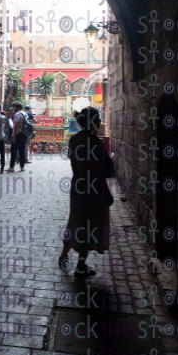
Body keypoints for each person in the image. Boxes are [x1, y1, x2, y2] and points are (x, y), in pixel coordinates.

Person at [59, 107, 114, 278]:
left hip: (78, 186)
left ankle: (64, 254)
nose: (99, 122)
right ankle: (81, 264)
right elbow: (98, 169)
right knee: (90, 224)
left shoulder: (74, 139)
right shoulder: (94, 142)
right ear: (92, 122)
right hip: (92, 188)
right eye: (97, 119)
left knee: (75, 219)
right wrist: (105, 192)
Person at [6, 101, 30, 172]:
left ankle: (11, 167)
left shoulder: (17, 114)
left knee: (13, 151)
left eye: (14, 107)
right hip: (24, 134)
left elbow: (16, 126)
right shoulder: (24, 113)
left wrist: (13, 136)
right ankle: (22, 166)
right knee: (22, 150)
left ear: (18, 108)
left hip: (18, 134)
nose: (13, 108)